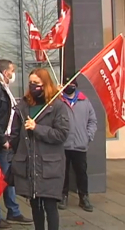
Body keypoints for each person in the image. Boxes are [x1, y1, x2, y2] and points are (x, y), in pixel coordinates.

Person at [10, 68, 69, 230]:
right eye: (31, 83)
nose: (33, 86)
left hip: (50, 166)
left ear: (45, 84)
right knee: (35, 206)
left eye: (37, 83)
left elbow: (61, 134)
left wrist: (37, 128)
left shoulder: (57, 106)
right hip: (29, 165)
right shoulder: (24, 106)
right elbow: (15, 134)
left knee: (50, 206)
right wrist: (14, 155)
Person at [0, 59, 32, 228]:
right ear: (5, 72)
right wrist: (1, 139)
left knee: (8, 179)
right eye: (12, 70)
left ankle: (13, 211)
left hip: (6, 142)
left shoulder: (3, 89)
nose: (14, 74)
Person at [58, 77, 97, 212]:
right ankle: (63, 196)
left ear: (75, 86)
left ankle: (84, 197)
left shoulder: (84, 101)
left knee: (81, 173)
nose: (69, 86)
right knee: (63, 173)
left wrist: (88, 136)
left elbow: (92, 120)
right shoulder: (58, 101)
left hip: (80, 145)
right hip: (63, 145)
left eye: (72, 84)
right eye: (66, 84)